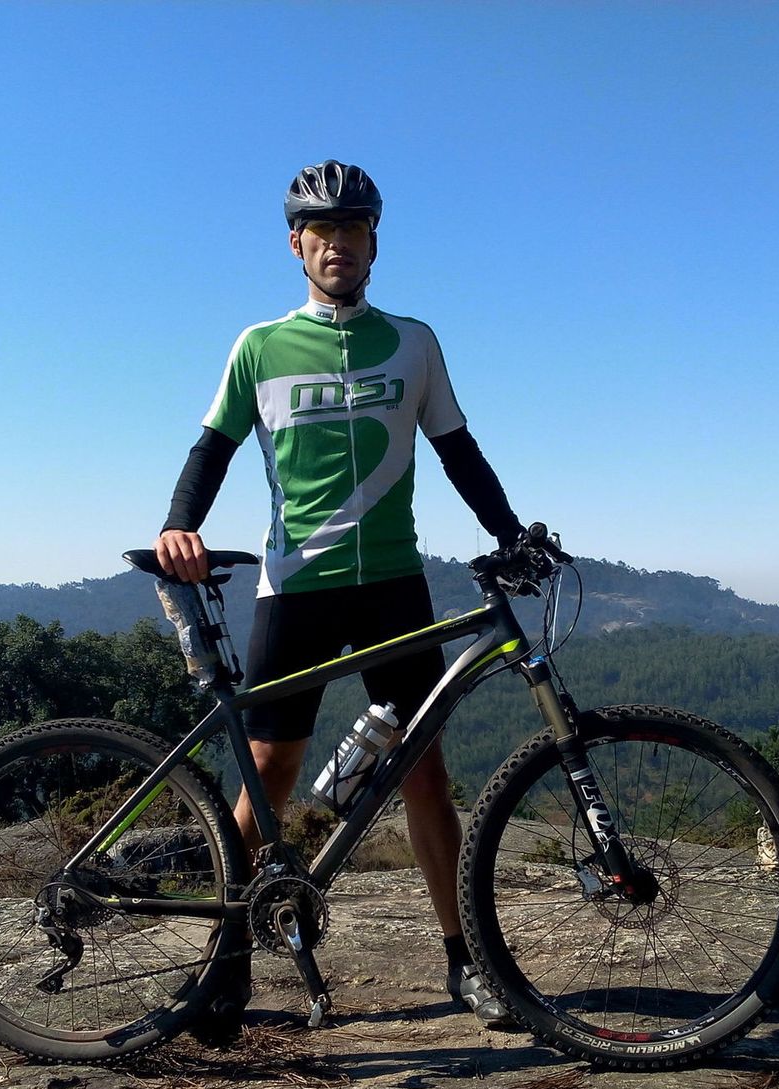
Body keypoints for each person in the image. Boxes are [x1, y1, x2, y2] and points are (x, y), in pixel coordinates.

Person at [153, 160, 523, 1034]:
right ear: (296, 245)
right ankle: (223, 960)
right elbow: (212, 448)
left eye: (352, 229)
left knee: (423, 772)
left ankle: (465, 959)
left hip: (394, 584)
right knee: (270, 772)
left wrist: (511, 532)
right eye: (321, 231)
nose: (337, 244)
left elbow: (458, 449)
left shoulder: (414, 343)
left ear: (373, 243)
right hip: (298, 588)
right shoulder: (260, 346)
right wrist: (178, 525)